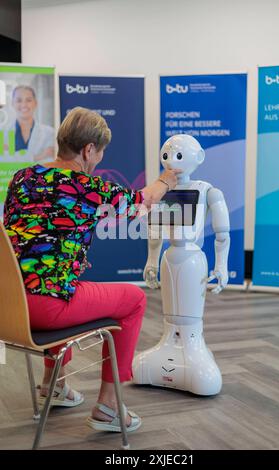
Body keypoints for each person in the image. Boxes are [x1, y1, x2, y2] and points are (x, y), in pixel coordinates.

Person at [3, 106, 180, 432]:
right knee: (133, 300)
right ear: (88, 150)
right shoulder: (87, 186)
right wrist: (166, 179)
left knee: (58, 279)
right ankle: (109, 407)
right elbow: (142, 202)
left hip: (8, 305)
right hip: (46, 308)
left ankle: (52, 386)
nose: (99, 160)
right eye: (99, 152)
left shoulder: (22, 178)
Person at [12, 85, 54, 162]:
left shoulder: (49, 132)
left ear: (35, 103)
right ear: (12, 104)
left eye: (28, 100)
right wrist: (40, 157)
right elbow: (4, 159)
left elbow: (50, 160)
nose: (24, 105)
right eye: (19, 100)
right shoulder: (3, 132)